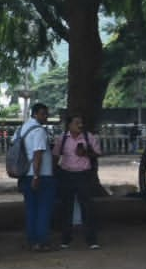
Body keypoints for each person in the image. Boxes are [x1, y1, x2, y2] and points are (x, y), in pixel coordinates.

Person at [54, 113, 103, 250]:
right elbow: (56, 156)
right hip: (66, 175)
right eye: (77, 123)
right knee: (66, 207)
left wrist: (86, 153)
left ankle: (91, 240)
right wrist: (55, 173)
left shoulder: (89, 137)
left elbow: (98, 153)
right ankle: (65, 239)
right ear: (69, 125)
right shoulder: (62, 139)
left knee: (87, 207)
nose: (80, 125)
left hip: (84, 175)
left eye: (81, 122)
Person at [15, 102, 55, 251]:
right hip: (41, 175)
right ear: (35, 114)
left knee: (31, 209)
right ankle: (42, 241)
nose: (46, 117)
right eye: (43, 114)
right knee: (43, 209)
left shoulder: (22, 129)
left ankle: (32, 240)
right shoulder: (38, 130)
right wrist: (36, 176)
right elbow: (38, 154)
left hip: (25, 174)